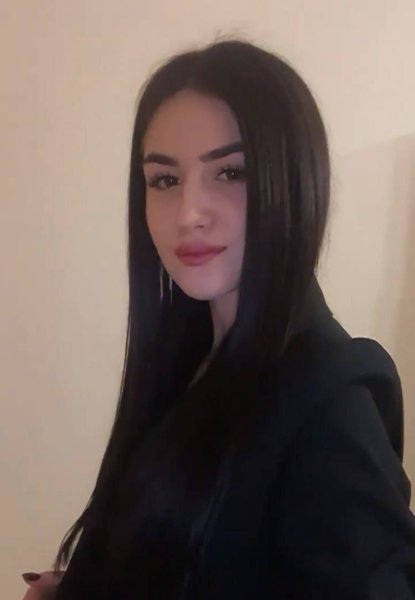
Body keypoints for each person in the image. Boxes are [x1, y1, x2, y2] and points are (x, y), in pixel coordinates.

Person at [21, 38, 415, 599]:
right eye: (165, 180)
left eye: (230, 173)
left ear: (292, 182)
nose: (188, 214)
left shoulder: (329, 405)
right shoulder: (188, 358)